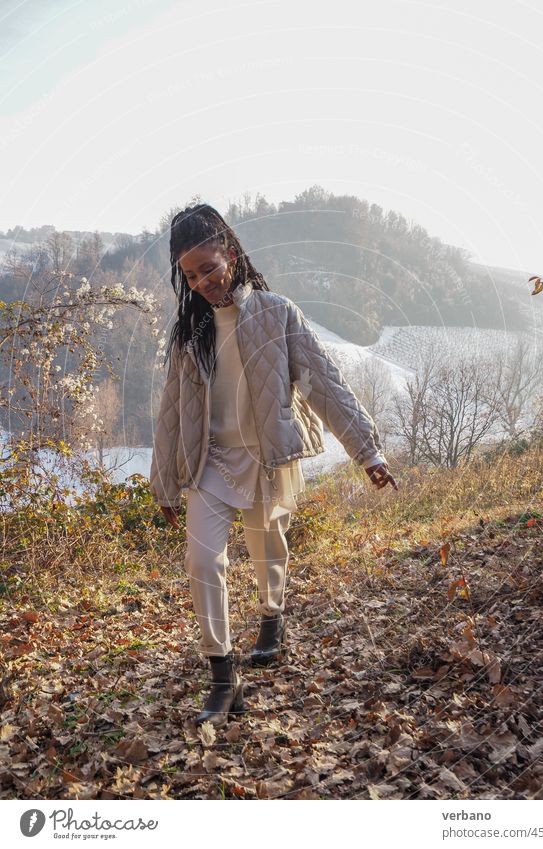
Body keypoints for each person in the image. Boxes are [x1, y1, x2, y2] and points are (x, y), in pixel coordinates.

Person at [149, 203, 398, 728]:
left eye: (209, 268)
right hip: (208, 463)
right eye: (190, 275)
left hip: (265, 457)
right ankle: (222, 676)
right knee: (202, 563)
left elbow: (325, 386)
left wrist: (367, 452)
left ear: (232, 255)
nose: (202, 283)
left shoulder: (276, 313)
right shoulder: (187, 336)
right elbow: (170, 415)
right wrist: (165, 487)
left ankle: (271, 614)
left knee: (267, 544)